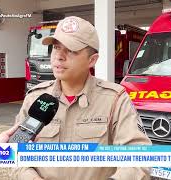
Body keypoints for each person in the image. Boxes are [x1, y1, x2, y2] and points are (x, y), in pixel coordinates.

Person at [12, 16, 152, 180]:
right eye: (56, 47)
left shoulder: (115, 99)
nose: (59, 56)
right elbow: (14, 154)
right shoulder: (36, 98)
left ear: (92, 60)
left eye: (71, 50)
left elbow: (139, 157)